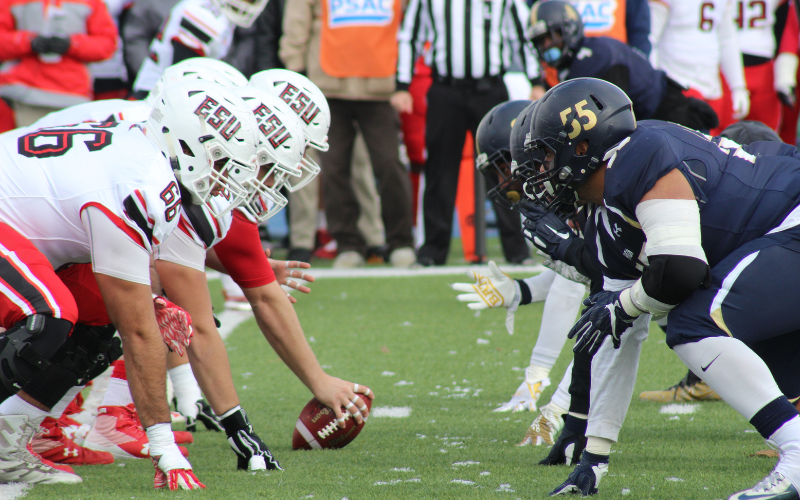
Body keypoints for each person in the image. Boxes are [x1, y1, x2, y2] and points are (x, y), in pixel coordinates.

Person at [519, 77, 800, 499]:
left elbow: (682, 271)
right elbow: (617, 339)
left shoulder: (638, 154)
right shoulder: (605, 219)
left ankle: (797, 456)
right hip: (782, 236)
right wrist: (594, 458)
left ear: (580, 147)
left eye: (543, 154)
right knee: (745, 347)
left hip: (791, 219)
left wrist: (625, 305)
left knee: (692, 323)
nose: (540, 171)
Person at [0, 78, 260, 488]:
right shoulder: (141, 183)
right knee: (48, 315)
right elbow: (141, 331)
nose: (224, 177)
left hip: (22, 228)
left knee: (101, 323)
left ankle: (6, 441)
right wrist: (164, 446)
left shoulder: (148, 157)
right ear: (186, 145)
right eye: (219, 160)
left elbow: (129, 305)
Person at [394, 0, 538, 266]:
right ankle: (433, 251)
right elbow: (410, 35)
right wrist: (401, 83)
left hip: (490, 89)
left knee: (505, 168)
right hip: (445, 89)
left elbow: (523, 34)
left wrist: (536, 80)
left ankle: (517, 249)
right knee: (440, 169)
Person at [280, 0, 416, 268]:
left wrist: (404, 80)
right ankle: (348, 243)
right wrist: (296, 74)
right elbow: (297, 22)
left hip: (380, 84)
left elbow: (412, 21)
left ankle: (401, 241)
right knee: (334, 168)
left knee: (390, 164)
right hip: (328, 86)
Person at [528, 0, 719, 131]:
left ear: (569, 29)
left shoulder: (596, 59)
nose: (548, 45)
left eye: (554, 37)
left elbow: (611, 124)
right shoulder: (580, 58)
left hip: (672, 118)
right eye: (541, 41)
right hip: (653, 120)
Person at [0, 0, 117, 126]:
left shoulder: (92, 3)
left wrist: (72, 45)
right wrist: (27, 42)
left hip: (71, 95)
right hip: (20, 94)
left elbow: (107, 44)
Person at [649, 0, 748, 133]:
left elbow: (727, 40)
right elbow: (650, 38)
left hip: (711, 85)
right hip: (677, 83)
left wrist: (738, 87)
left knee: (712, 147)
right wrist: (658, 83)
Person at [131, 0, 267, 97]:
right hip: (154, 95)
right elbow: (184, 75)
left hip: (164, 92)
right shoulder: (203, 15)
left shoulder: (221, 14)